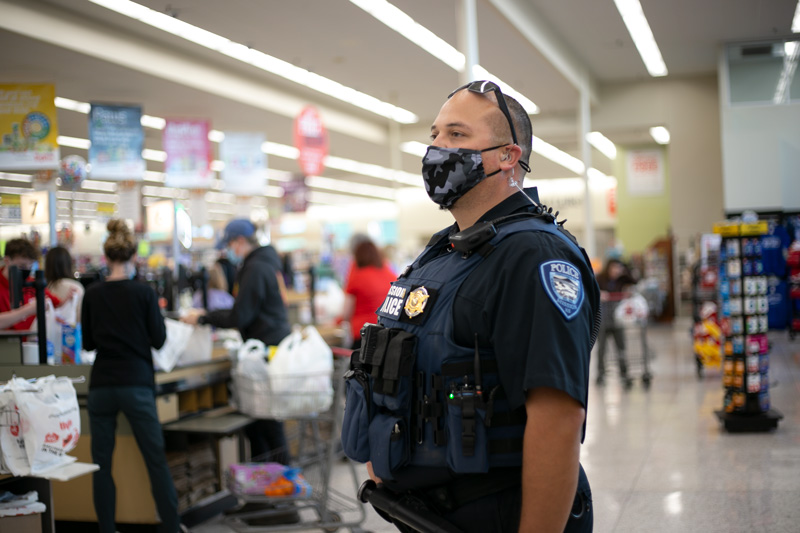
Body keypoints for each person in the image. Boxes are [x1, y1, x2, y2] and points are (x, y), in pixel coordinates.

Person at [341, 80, 600, 532]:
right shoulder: (445, 250)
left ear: (508, 156)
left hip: (498, 513)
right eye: (435, 136)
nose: (438, 149)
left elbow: (557, 419)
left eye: (457, 135)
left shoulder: (534, 255)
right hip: (430, 514)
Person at [81, 220, 179, 533]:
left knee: (101, 464)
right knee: (155, 460)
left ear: (106, 257)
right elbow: (159, 340)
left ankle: (107, 529)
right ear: (133, 257)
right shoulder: (144, 293)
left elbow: (88, 344)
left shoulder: (92, 294)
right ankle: (172, 527)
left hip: (102, 386)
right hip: (136, 384)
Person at [182, 219, 292, 464]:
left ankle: (282, 491)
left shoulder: (255, 268)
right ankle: (269, 487)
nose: (228, 251)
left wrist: (203, 317)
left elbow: (240, 315)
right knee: (262, 425)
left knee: (267, 424)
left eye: (230, 244)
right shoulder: (266, 263)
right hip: (270, 349)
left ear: (240, 241)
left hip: (263, 352)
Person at [342, 238, 397, 349]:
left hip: (363, 334)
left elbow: (346, 313)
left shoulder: (357, 276)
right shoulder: (390, 273)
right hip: (388, 332)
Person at [595, 258, 637, 388]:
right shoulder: (600, 279)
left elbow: (634, 281)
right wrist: (599, 293)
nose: (615, 271)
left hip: (618, 320)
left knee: (621, 347)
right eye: (614, 268)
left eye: (618, 268)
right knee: (602, 349)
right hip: (603, 319)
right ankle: (600, 373)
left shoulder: (621, 279)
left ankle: (624, 372)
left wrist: (625, 270)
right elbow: (590, 289)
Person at [0, 238, 41, 329]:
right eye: (21, 266)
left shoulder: (32, 283)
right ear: (7, 261)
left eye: (30, 266)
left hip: (32, 341)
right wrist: (27, 311)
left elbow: (56, 304)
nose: (26, 270)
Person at [45, 246, 85, 319]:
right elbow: (81, 316)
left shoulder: (44, 288)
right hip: (71, 329)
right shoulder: (76, 287)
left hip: (49, 329)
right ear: (69, 264)